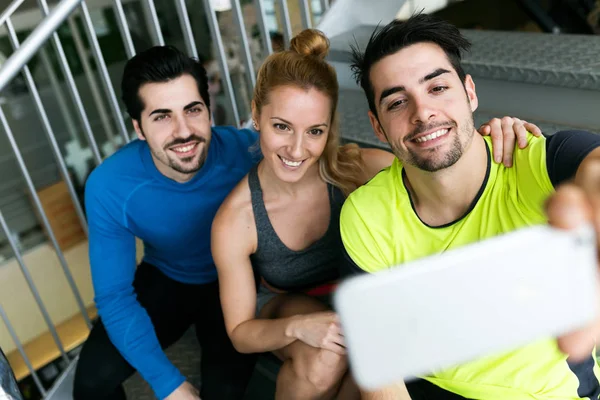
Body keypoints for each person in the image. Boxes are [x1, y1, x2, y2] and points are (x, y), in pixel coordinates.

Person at [211, 29, 543, 400]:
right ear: (256, 115)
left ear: (330, 127)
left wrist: (499, 130)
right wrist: (298, 327)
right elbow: (240, 333)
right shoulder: (236, 218)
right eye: (281, 127)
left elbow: (442, 166)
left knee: (374, 371)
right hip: (288, 306)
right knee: (325, 355)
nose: (297, 148)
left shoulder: (367, 170)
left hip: (366, 301)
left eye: (315, 131)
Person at [340, 13, 600, 400]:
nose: (422, 112)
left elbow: (592, 167)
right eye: (396, 102)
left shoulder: (543, 163)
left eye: (437, 87)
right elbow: (384, 370)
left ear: (470, 92)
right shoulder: (366, 215)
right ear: (377, 127)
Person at [73, 46, 258, 400]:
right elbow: (114, 297)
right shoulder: (110, 185)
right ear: (138, 128)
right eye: (161, 117)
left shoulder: (250, 153)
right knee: (92, 382)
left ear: (208, 109)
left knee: (225, 392)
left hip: (236, 280)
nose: (183, 131)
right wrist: (167, 383)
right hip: (168, 277)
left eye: (193, 110)